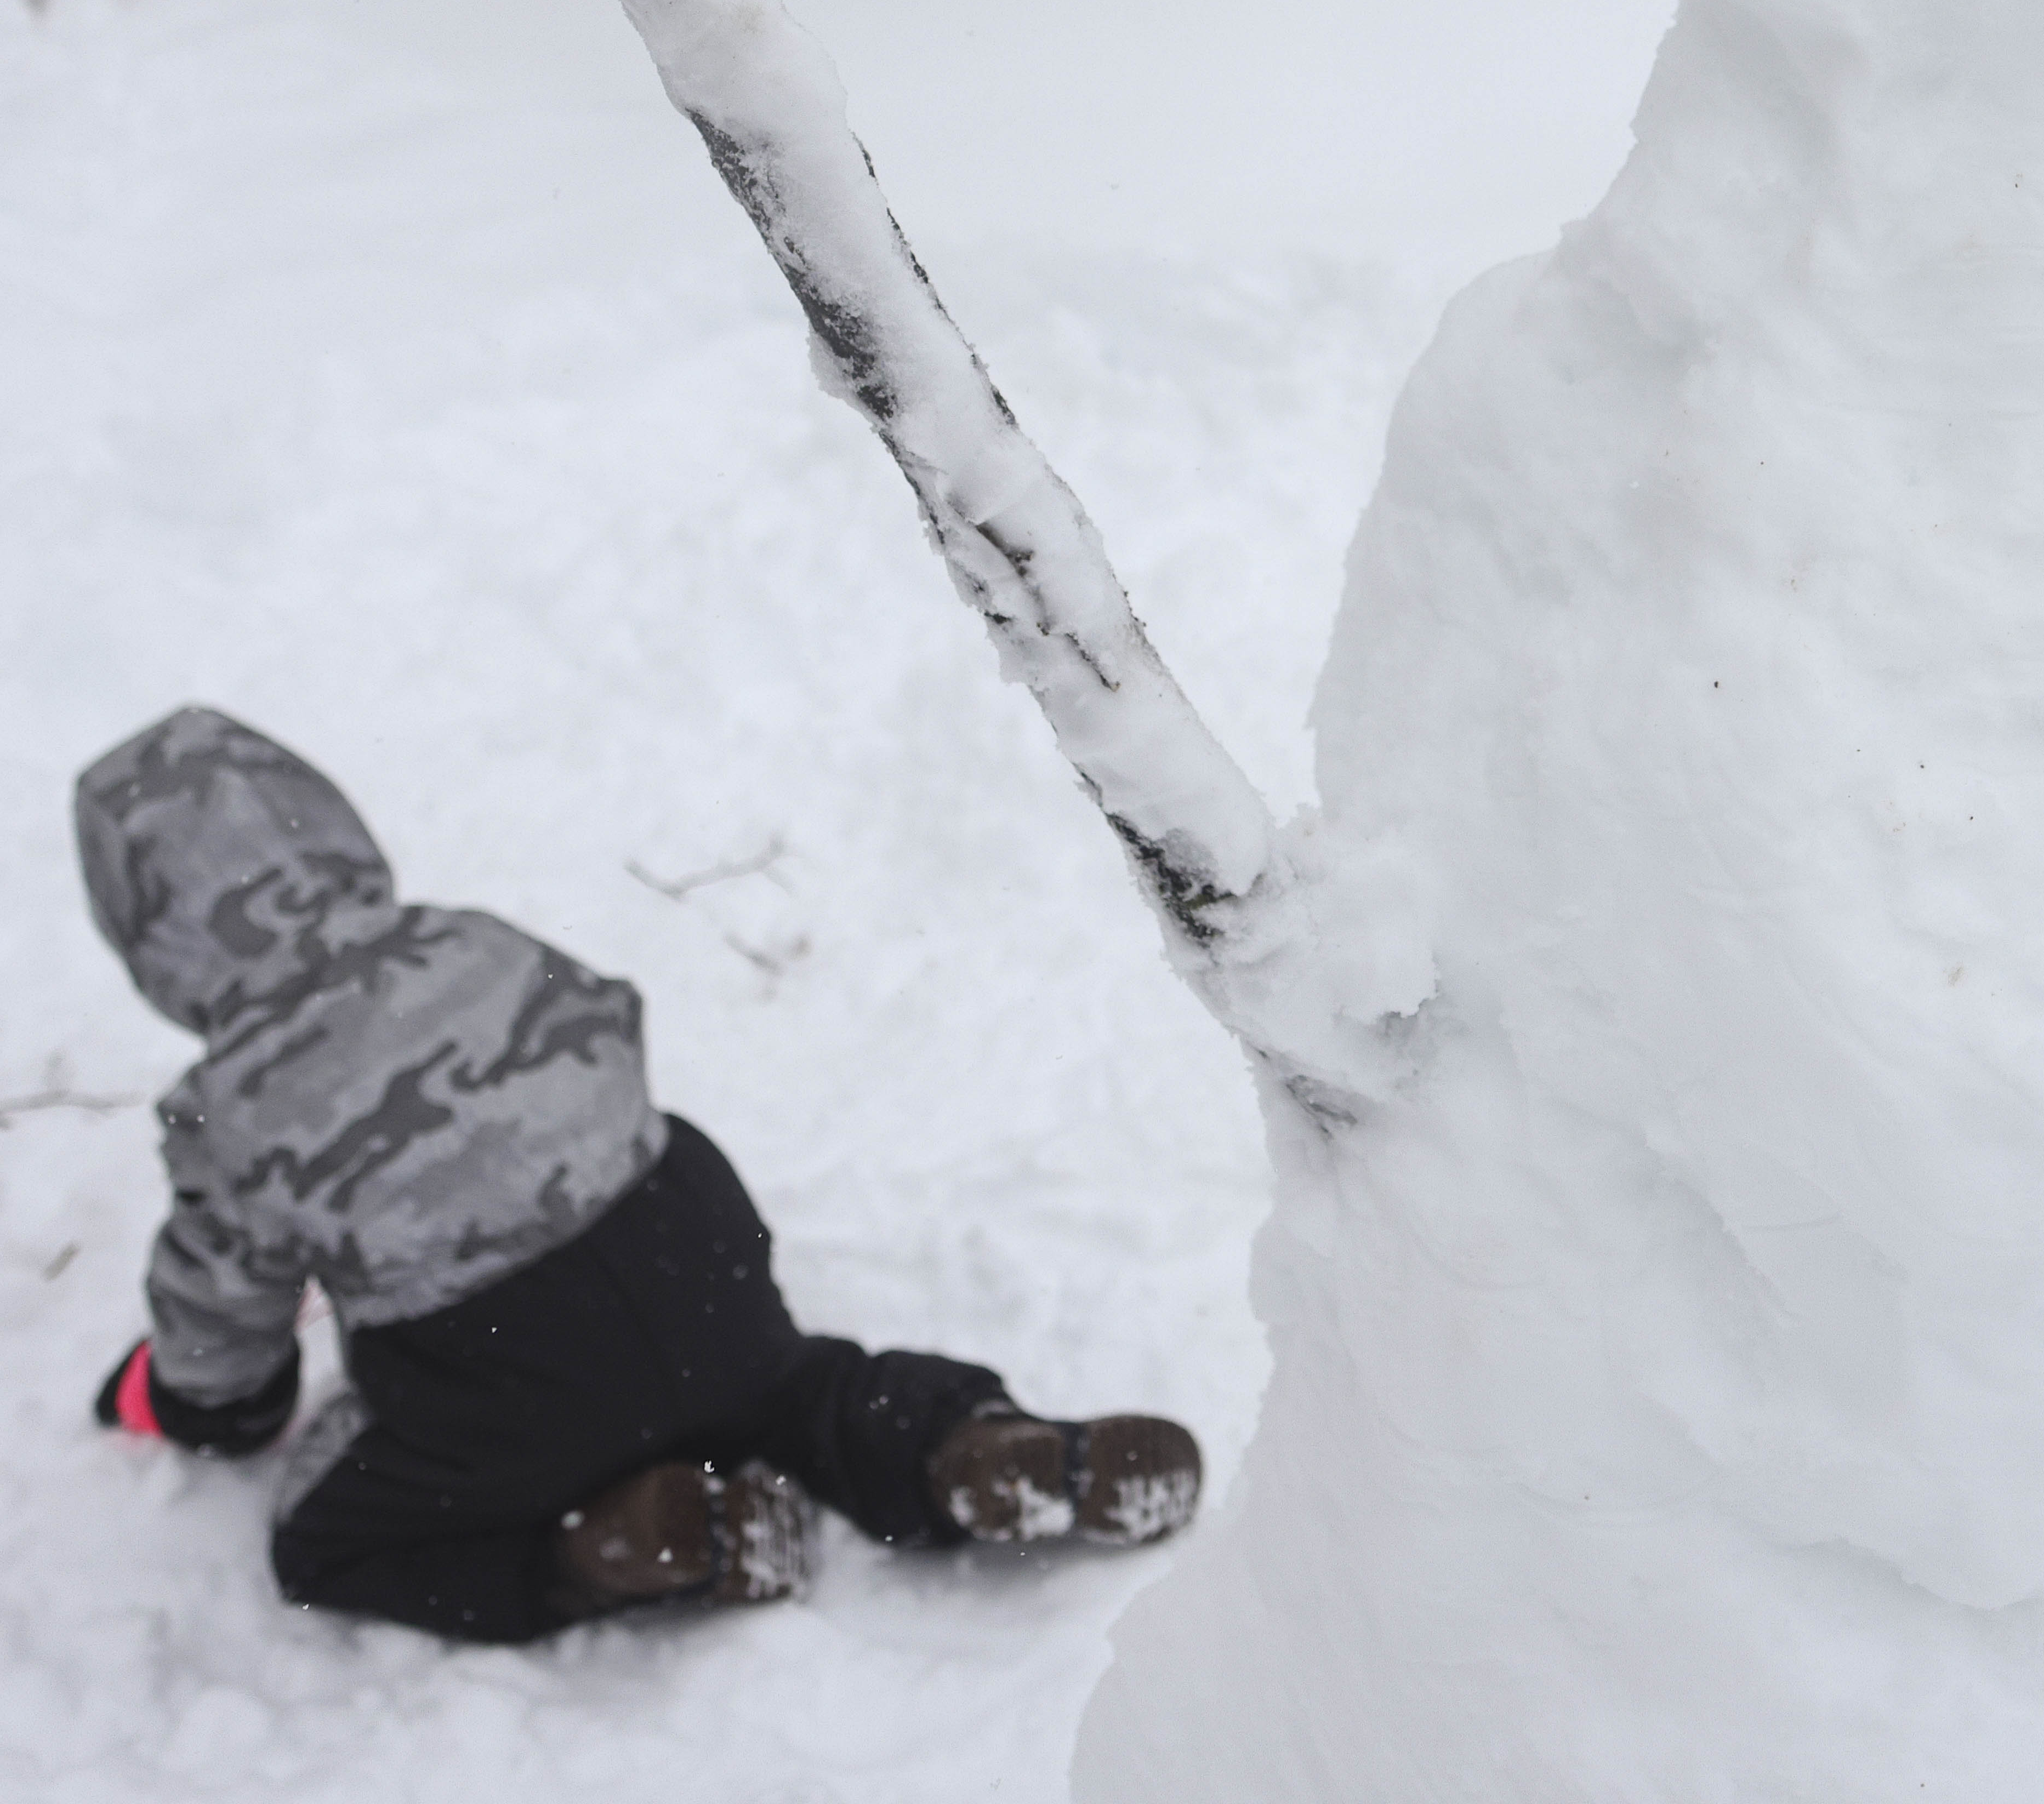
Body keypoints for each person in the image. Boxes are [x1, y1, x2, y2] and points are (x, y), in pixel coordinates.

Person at [71, 703, 1203, 1643]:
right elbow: (603, 1031)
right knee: (795, 1388)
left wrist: (191, 1403)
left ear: (151, 939)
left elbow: (222, 1341)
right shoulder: (469, 938)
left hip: (507, 1378)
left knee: (325, 1536)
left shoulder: (228, 1108)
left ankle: (610, 1546)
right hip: (687, 1253)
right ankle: (968, 1449)